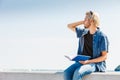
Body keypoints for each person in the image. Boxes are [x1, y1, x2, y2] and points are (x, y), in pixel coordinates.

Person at [64, 11, 109, 80]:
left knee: (78, 72)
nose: (83, 21)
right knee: (67, 72)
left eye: (85, 19)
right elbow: (69, 26)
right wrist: (83, 21)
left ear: (91, 21)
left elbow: (104, 57)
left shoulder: (102, 36)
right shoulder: (83, 32)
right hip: (82, 62)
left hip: (95, 64)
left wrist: (88, 62)